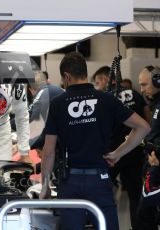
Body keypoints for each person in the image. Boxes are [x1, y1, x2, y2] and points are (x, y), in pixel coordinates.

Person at [39, 52, 150, 230]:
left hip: (70, 180)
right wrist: (118, 153)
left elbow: (49, 150)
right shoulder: (106, 99)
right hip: (99, 179)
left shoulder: (58, 104)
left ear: (66, 77)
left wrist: (44, 185)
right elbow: (144, 127)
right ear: (84, 72)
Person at [92, 65, 149, 230]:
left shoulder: (104, 99)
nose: (96, 86)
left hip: (112, 155)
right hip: (135, 152)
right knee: (136, 196)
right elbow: (147, 122)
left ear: (105, 79)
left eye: (97, 82)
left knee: (102, 194)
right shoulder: (137, 95)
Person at [137, 65, 160, 230]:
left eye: (144, 84)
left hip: (156, 166)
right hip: (153, 165)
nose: (141, 89)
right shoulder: (156, 104)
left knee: (144, 215)